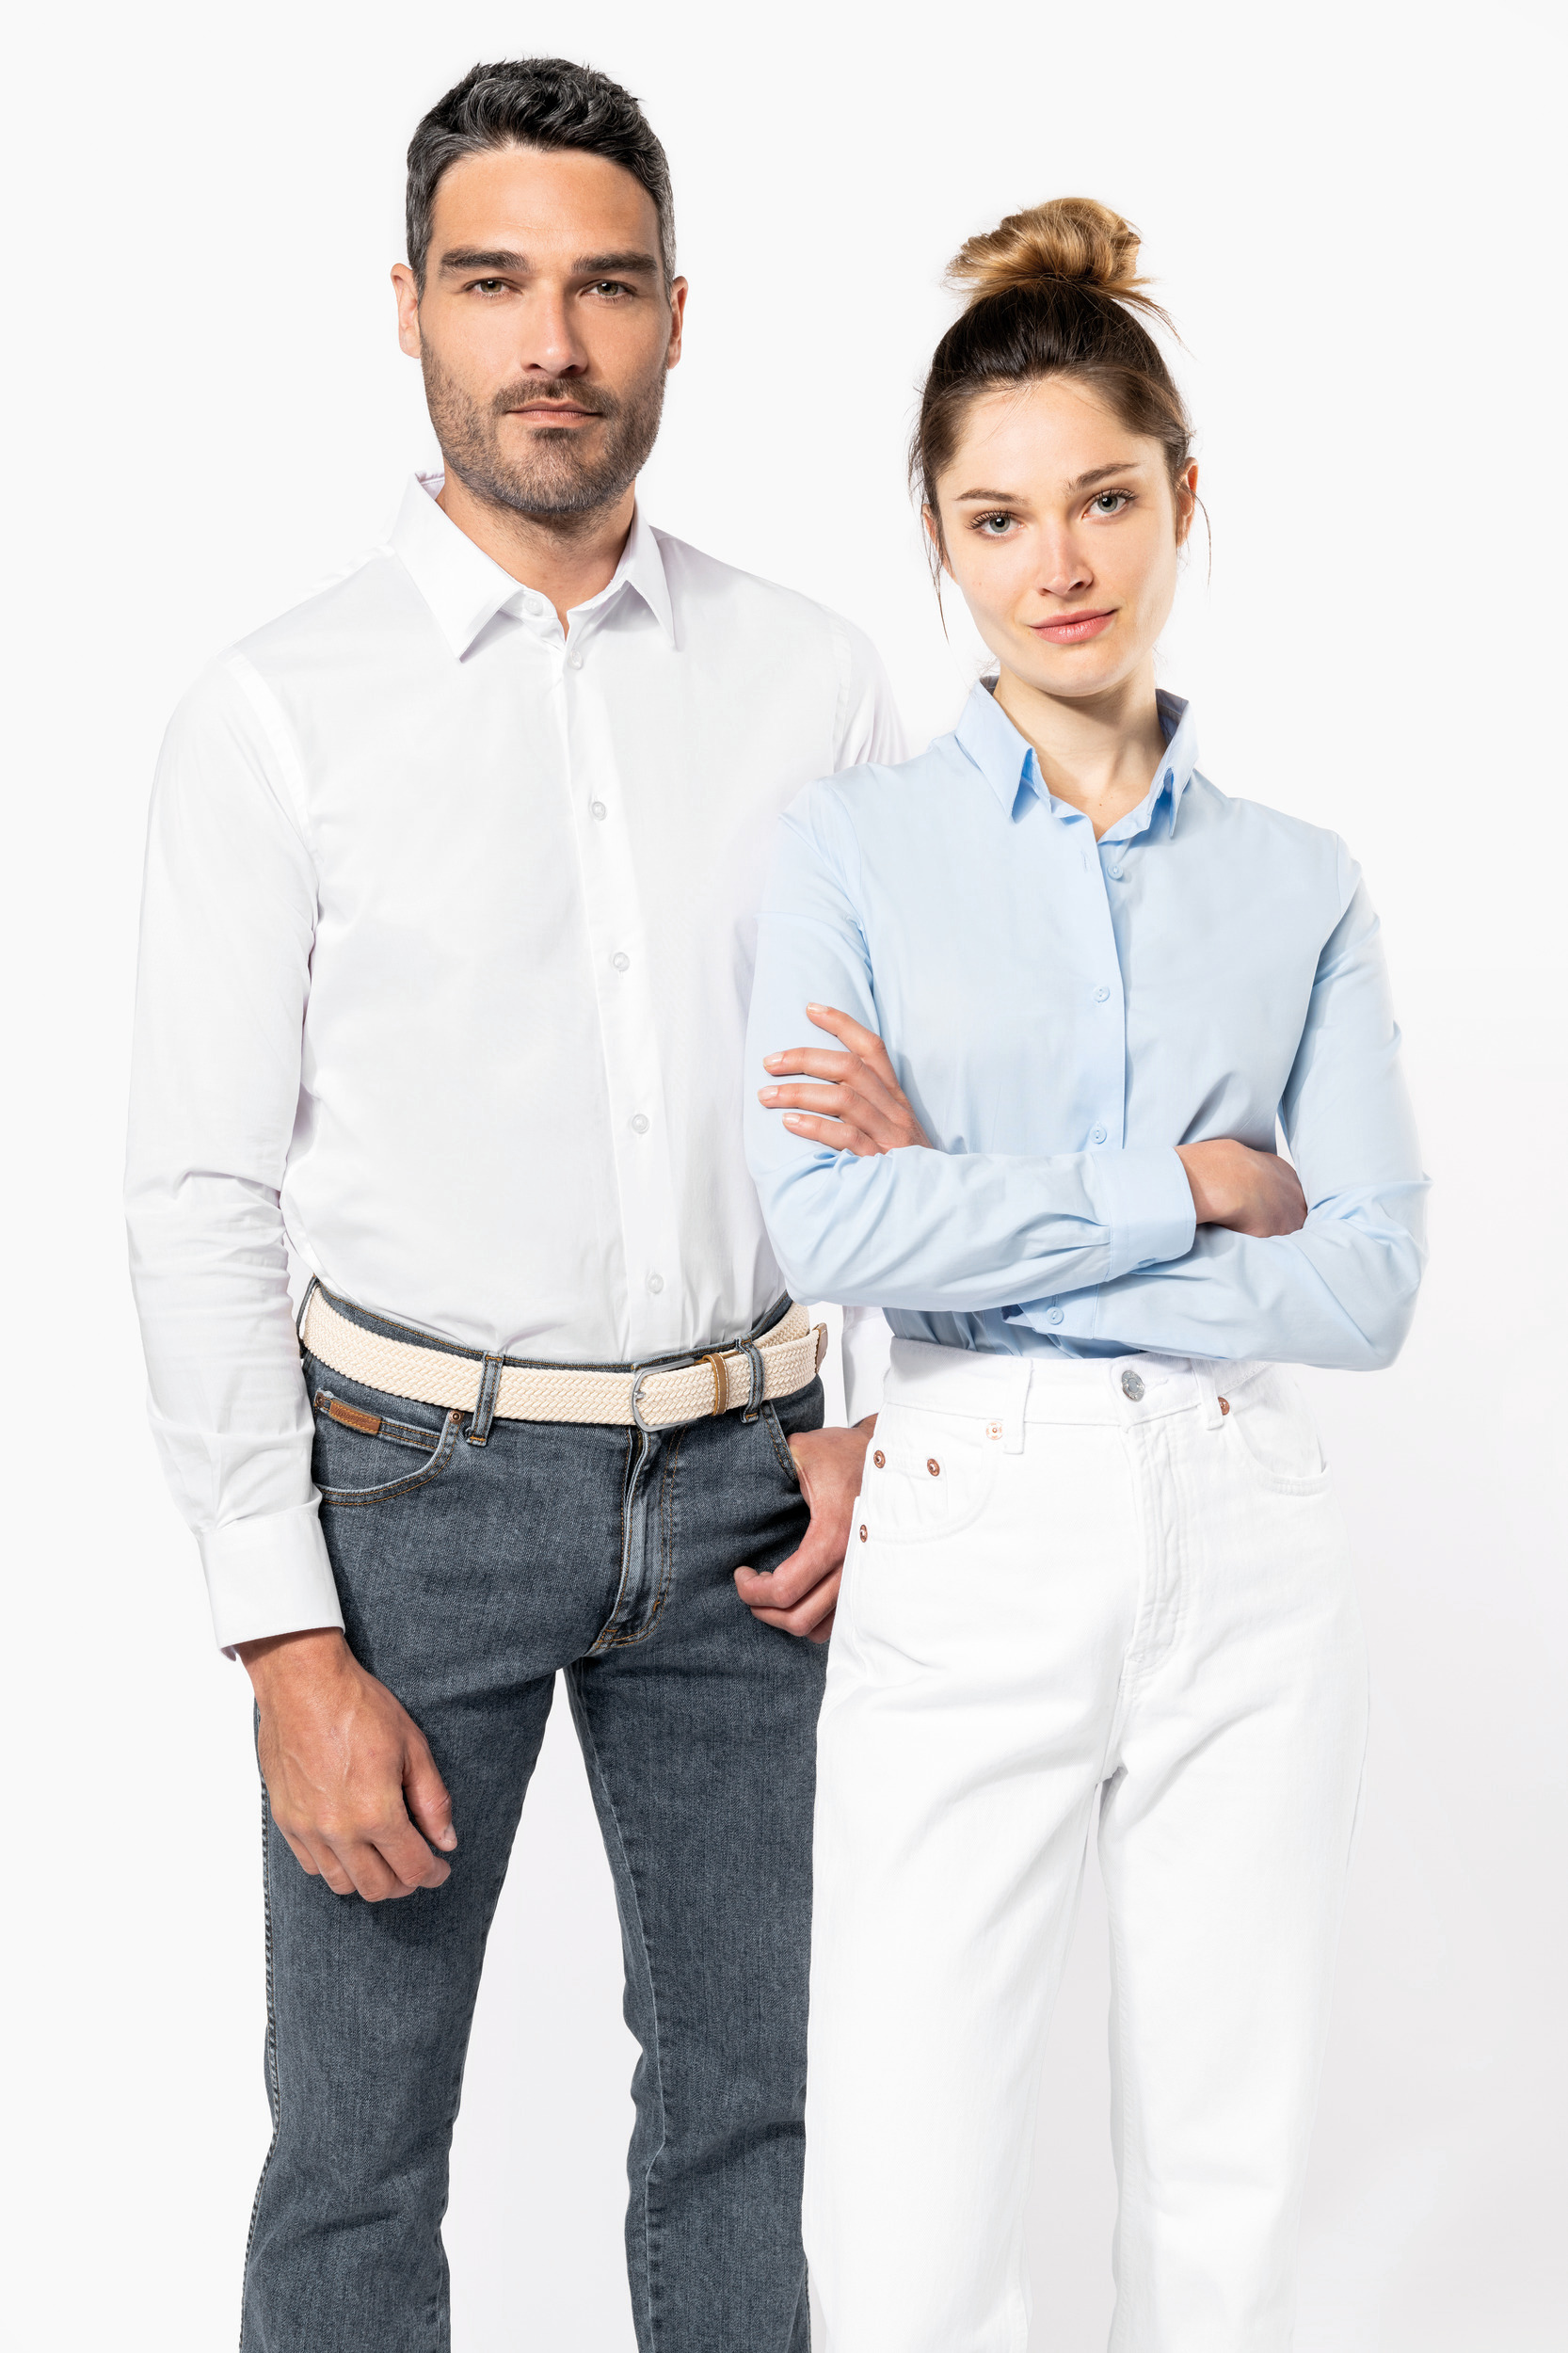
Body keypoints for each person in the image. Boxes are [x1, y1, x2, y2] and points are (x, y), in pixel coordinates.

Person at [125, 56, 898, 2353]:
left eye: (602, 285)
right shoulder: (274, 712)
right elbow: (196, 1190)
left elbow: (893, 1107)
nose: (549, 342)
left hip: (753, 1493)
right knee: (355, 2150)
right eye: (490, 283)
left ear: (676, 315)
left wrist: (873, 1404)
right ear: (406, 308)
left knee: (755, 2117)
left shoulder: (811, 680)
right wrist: (284, 1641)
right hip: (409, 1501)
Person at [744, 198, 1427, 2351]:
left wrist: (972, 1196)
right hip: (967, 1512)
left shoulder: (1297, 883)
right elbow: (826, 1225)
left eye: (1104, 498)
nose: (1059, 561)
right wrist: (1189, 1187)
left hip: (1245, 1519)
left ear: (1181, 497)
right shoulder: (848, 850)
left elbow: (1368, 1282)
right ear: (937, 540)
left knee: (1227, 2185)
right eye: (998, 515)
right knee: (911, 2201)